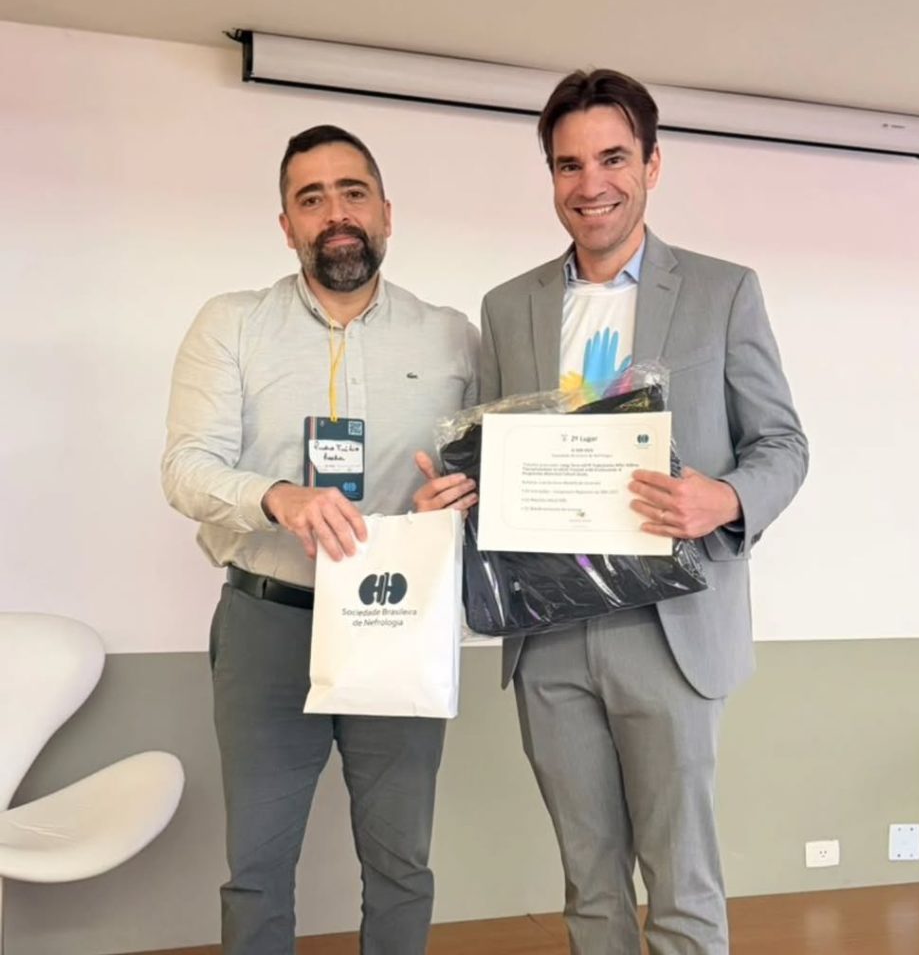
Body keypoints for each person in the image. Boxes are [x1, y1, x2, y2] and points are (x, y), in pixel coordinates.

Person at [478, 71, 809, 954]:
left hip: (670, 628)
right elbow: (494, 452)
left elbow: (782, 445)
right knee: (589, 884)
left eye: (614, 158)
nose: (592, 184)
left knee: (681, 882)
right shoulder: (506, 308)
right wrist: (462, 486)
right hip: (549, 633)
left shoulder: (722, 291)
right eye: (569, 165)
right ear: (552, 177)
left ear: (653, 165)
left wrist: (724, 497)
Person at [161, 124, 478, 955]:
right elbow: (186, 469)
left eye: (352, 192)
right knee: (257, 868)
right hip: (269, 623)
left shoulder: (452, 336)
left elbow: (485, 468)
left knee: (401, 862)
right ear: (287, 225)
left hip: (398, 620)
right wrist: (276, 495)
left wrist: (460, 498)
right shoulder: (232, 325)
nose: (335, 213)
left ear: (385, 213)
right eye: (311, 198)